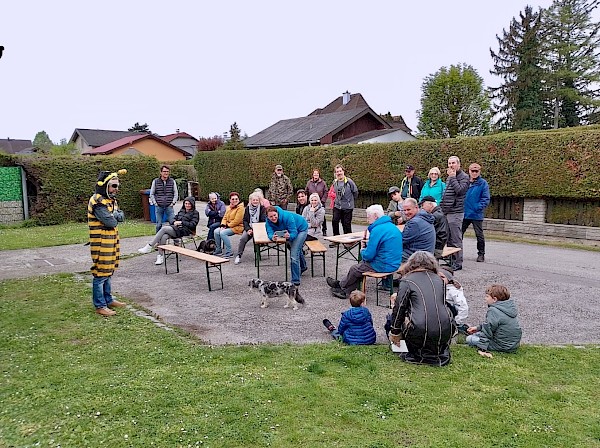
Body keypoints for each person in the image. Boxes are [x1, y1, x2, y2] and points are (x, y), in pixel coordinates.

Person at [388, 251, 454, 366]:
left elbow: (399, 308)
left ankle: (401, 347)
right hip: (444, 329)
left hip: (418, 330)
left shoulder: (407, 280)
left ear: (411, 264)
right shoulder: (439, 280)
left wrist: (395, 332)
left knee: (394, 315)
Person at [326, 204, 402, 300]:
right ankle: (345, 289)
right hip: (394, 262)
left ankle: (341, 286)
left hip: (384, 265)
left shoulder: (377, 230)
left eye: (368, 217)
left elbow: (369, 255)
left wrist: (362, 250)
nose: (367, 220)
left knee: (355, 269)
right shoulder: (392, 226)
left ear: (375, 216)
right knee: (361, 267)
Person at [88, 169, 127, 317]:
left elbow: (121, 217)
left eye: (117, 186)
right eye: (114, 186)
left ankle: (108, 299)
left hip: (111, 240)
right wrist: (114, 217)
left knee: (109, 270)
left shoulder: (111, 200)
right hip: (101, 241)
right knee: (101, 273)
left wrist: (114, 216)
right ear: (105, 186)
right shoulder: (97, 201)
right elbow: (111, 222)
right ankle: (100, 305)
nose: (116, 189)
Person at [138, 197, 200, 265]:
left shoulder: (195, 213)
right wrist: (174, 222)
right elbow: (174, 218)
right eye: (186, 203)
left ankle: (150, 246)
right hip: (177, 229)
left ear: (192, 204)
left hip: (186, 231)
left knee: (164, 229)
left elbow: (193, 225)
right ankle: (160, 256)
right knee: (164, 236)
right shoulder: (182, 210)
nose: (187, 205)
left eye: (189, 204)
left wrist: (181, 222)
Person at [467, 284, 522, 357]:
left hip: (502, 346)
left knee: (470, 339)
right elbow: (493, 325)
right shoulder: (508, 308)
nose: (485, 298)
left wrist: (482, 349)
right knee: (477, 334)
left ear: (494, 299)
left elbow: (488, 330)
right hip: (513, 345)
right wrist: (477, 328)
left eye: (487, 296)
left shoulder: (493, 310)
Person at [265, 205, 308, 286]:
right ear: (267, 217)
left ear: (277, 213)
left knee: (293, 255)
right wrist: (272, 237)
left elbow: (294, 233)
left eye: (274, 215)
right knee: (296, 249)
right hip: (290, 230)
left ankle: (295, 281)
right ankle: (303, 267)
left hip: (301, 228)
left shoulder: (287, 217)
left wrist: (289, 236)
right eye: (271, 217)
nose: (273, 218)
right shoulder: (268, 221)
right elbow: (269, 232)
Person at [440, 156, 470, 271]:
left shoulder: (464, 177)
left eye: (453, 163)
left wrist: (452, 177)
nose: (451, 165)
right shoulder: (449, 177)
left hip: (456, 212)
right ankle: (451, 260)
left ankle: (458, 262)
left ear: (458, 164)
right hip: (446, 211)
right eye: (449, 163)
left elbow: (460, 191)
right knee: (448, 238)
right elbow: (446, 193)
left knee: (456, 238)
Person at [462, 163, 491, 263]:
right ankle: (456, 253)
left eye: (476, 171)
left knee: (479, 235)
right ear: (469, 171)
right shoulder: (465, 182)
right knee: (458, 234)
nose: (474, 173)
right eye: (472, 171)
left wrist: (477, 207)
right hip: (464, 212)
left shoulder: (483, 183)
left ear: (479, 172)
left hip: (476, 214)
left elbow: (485, 198)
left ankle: (481, 254)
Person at [234, 191, 267, 265]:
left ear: (259, 201)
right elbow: (245, 220)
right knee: (243, 238)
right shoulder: (247, 208)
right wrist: (248, 229)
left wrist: (255, 229)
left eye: (257, 200)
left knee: (256, 239)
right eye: (253, 200)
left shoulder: (262, 208)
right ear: (251, 201)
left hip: (259, 228)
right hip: (249, 228)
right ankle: (239, 255)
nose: (255, 201)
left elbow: (263, 220)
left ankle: (258, 255)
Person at [401, 198, 436, 262]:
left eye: (408, 209)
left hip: (419, 258)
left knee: (386, 254)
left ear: (416, 207)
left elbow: (401, 240)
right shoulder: (425, 217)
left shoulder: (415, 223)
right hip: (427, 254)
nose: (406, 212)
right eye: (404, 210)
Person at [331, 164, 358, 239]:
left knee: (346, 224)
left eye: (340, 171)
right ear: (335, 173)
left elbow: (355, 192)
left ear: (343, 171)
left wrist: (350, 201)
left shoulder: (349, 182)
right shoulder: (335, 182)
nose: (339, 173)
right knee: (334, 221)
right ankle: (336, 238)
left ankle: (348, 240)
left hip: (347, 207)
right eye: (337, 172)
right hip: (337, 206)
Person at [214, 192, 245, 258]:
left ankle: (229, 252)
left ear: (239, 200)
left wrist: (227, 226)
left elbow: (237, 221)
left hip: (238, 227)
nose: (235, 200)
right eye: (233, 199)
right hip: (229, 226)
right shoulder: (229, 207)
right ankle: (218, 250)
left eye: (236, 199)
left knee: (223, 233)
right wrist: (222, 225)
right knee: (216, 231)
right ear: (230, 200)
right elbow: (224, 217)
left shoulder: (241, 208)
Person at [438, 268, 469, 334]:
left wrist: (457, 321)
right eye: (437, 277)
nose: (439, 279)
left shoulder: (453, 291)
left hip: (451, 314)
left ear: (448, 279)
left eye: (442, 277)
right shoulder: (438, 287)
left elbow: (463, 306)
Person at [149, 165, 178, 233]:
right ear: (161, 172)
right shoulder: (155, 181)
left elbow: (176, 193)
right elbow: (152, 194)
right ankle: (158, 238)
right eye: (164, 171)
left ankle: (174, 239)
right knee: (158, 225)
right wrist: (155, 203)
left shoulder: (172, 181)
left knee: (173, 223)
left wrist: (173, 202)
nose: (166, 173)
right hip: (159, 206)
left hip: (169, 206)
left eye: (167, 171)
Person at [305, 169, 328, 236]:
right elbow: (306, 191)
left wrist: (323, 200)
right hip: (312, 202)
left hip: (320, 202)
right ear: (313, 175)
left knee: (322, 217)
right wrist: (308, 200)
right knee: (310, 215)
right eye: (314, 174)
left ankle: (324, 229)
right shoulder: (309, 183)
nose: (316, 175)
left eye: (317, 174)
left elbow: (326, 192)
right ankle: (310, 228)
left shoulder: (323, 183)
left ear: (319, 175)